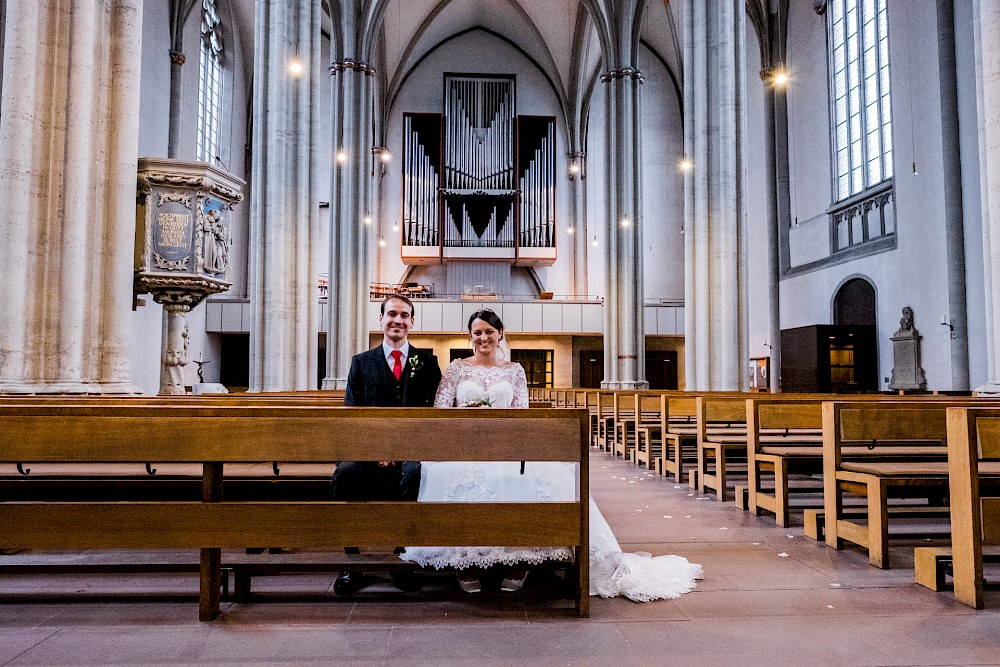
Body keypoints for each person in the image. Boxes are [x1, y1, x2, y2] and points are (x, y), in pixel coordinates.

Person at [400, 309, 703, 601]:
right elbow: (441, 411)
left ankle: (518, 559)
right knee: (452, 478)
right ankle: (464, 560)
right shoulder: (457, 368)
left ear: (500, 334)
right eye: (477, 333)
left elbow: (522, 413)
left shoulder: (514, 370)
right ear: (469, 336)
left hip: (506, 444)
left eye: (489, 332)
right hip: (464, 445)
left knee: (524, 479)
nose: (483, 338)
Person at [332, 293, 442, 595]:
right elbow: (353, 414)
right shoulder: (361, 362)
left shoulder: (427, 362)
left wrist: (403, 450)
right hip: (369, 449)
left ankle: (402, 556)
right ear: (381, 319)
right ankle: (351, 562)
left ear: (412, 322)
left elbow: (433, 416)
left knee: (417, 473)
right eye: (392, 314)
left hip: (412, 450)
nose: (398, 320)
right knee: (346, 474)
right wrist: (375, 450)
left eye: (404, 315)